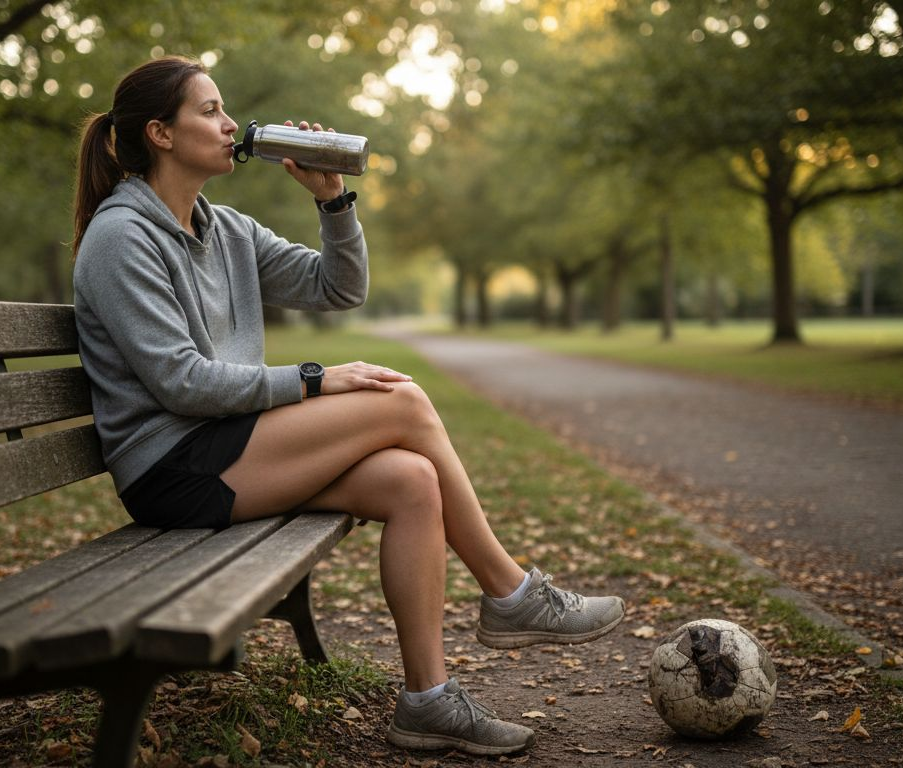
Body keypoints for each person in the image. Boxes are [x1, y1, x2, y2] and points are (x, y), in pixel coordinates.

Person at [71, 55, 626, 757]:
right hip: (173, 470)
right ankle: (511, 592)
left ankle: (427, 701)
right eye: (208, 110)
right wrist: (314, 379)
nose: (229, 122)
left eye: (224, 106)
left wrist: (332, 202)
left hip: (232, 446)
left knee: (411, 480)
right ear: (160, 133)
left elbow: (336, 289)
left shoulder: (226, 230)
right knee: (402, 402)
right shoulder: (123, 237)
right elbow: (181, 383)